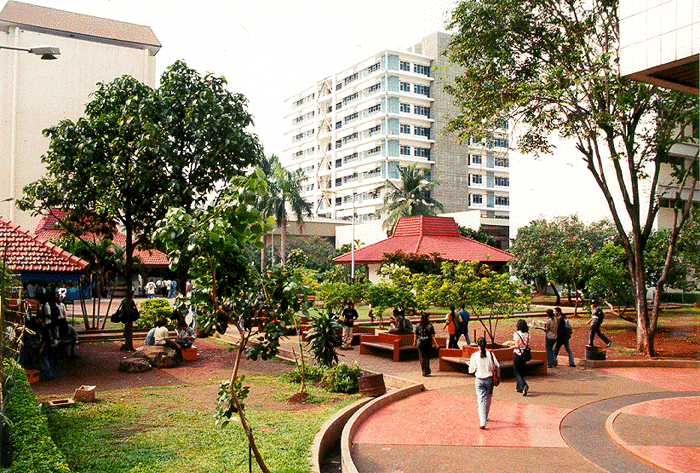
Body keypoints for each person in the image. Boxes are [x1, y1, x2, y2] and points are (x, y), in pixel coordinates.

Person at [469, 337, 499, 429]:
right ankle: (485, 416)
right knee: (488, 398)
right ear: (486, 345)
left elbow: (471, 370)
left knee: (481, 400)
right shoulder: (490, 354)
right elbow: (497, 365)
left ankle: (483, 422)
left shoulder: (474, 355)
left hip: (479, 379)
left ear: (477, 345)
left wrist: (469, 365)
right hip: (489, 379)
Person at [505, 319, 530, 396]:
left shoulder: (516, 334)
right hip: (524, 354)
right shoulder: (528, 334)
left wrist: (510, 346)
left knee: (516, 371)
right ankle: (519, 387)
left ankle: (524, 385)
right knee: (521, 371)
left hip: (517, 353)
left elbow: (517, 345)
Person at [413, 312, 438, 376]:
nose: (429, 318)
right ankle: (427, 370)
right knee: (427, 357)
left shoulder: (418, 325)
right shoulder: (430, 325)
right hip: (428, 342)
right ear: (427, 318)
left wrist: (414, 342)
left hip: (420, 342)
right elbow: (432, 335)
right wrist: (436, 343)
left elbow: (415, 334)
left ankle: (424, 370)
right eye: (428, 317)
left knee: (422, 356)